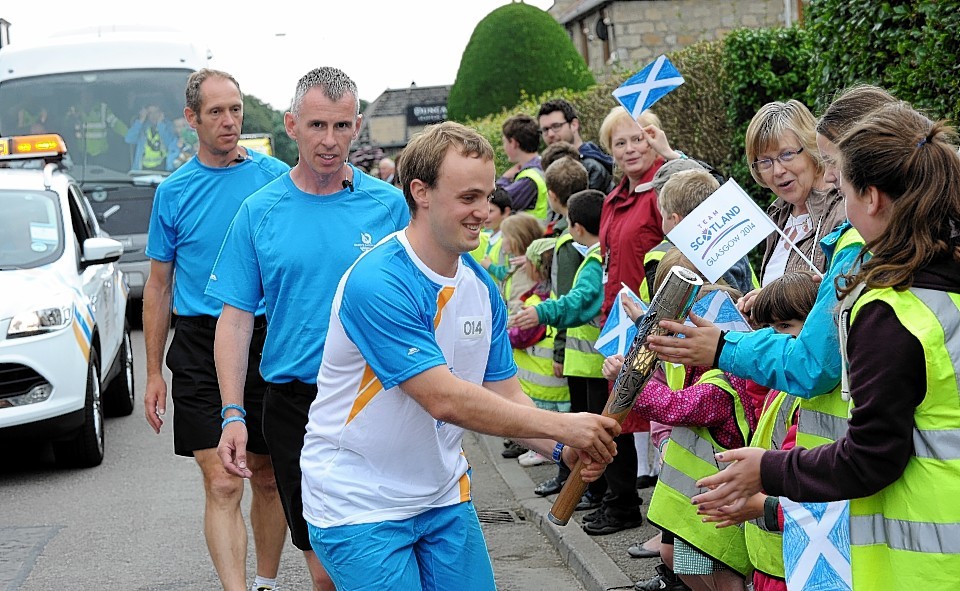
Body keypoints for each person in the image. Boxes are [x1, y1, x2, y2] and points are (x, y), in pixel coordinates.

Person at [298, 120, 621, 590]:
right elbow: (444, 398)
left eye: (487, 197)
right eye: (467, 198)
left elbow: (505, 392)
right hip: (359, 502)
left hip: (442, 496)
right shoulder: (378, 282)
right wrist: (566, 425)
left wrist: (562, 448)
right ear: (420, 192)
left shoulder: (481, 288)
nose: (483, 212)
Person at [691, 101, 960, 590]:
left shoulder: (891, 311)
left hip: (925, 561)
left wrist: (769, 470)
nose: (835, 194)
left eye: (843, 185)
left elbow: (871, 456)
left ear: (872, 198)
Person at [208, 67, 409, 591]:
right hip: (297, 402)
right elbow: (234, 320)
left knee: (380, 543)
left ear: (358, 125)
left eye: (342, 127)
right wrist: (232, 413)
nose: (329, 141)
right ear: (291, 124)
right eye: (317, 125)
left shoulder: (388, 207)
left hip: (378, 396)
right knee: (323, 562)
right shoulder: (259, 211)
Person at [142, 68, 290, 591]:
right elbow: (158, 286)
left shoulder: (275, 177)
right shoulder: (175, 192)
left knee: (268, 477)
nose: (229, 122)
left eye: (235, 110)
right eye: (216, 112)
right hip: (201, 343)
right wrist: (154, 372)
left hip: (267, 337)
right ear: (191, 119)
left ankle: (266, 582)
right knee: (224, 481)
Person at [607, 250, 754, 591]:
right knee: (687, 568)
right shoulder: (699, 369)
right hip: (691, 510)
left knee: (723, 579)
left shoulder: (722, 383)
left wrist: (627, 382)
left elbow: (678, 407)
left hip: (718, 513)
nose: (683, 339)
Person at [512, 189, 643, 534]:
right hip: (591, 362)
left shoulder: (598, 254)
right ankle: (603, 498)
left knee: (608, 438)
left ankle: (619, 504)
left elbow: (581, 300)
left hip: (598, 364)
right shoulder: (600, 252)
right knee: (601, 438)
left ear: (577, 225)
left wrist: (540, 312)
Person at [596, 105, 686, 534]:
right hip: (620, 319)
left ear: (654, 138)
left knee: (659, 415)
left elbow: (697, 208)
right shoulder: (615, 198)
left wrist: (672, 158)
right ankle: (621, 502)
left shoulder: (661, 193)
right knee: (618, 412)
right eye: (620, 142)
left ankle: (663, 526)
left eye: (638, 138)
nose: (631, 148)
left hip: (658, 322)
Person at [745, 100, 845, 287]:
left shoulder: (843, 209)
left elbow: (839, 292)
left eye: (787, 154)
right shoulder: (777, 215)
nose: (777, 171)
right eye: (765, 162)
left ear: (811, 148)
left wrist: (771, 301)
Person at [508, 237, 569, 467]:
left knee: (546, 419)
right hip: (554, 380)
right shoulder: (555, 295)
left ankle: (545, 451)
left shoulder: (537, 301)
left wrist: (507, 334)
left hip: (544, 382)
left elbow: (523, 335)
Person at [538, 98, 615, 192]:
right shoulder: (549, 165)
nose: (550, 134)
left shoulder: (591, 167)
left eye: (556, 126)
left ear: (574, 125)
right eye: (545, 129)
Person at [497, 114, 550, 222]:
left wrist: (504, 179)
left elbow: (497, 203)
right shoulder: (540, 165)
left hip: (531, 235)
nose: (504, 147)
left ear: (514, 143)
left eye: (504, 142)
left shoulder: (529, 178)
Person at [472, 187, 513, 282]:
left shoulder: (511, 240)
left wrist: (491, 267)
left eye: (490, 211)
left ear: (506, 212)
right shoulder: (489, 237)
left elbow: (514, 273)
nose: (485, 215)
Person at [125, 104, 180, 171]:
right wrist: (141, 120)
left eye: (156, 112)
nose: (153, 115)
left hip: (164, 170)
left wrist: (160, 125)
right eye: (150, 113)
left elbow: (170, 145)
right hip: (142, 170)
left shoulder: (169, 126)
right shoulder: (142, 127)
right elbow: (129, 139)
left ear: (161, 113)